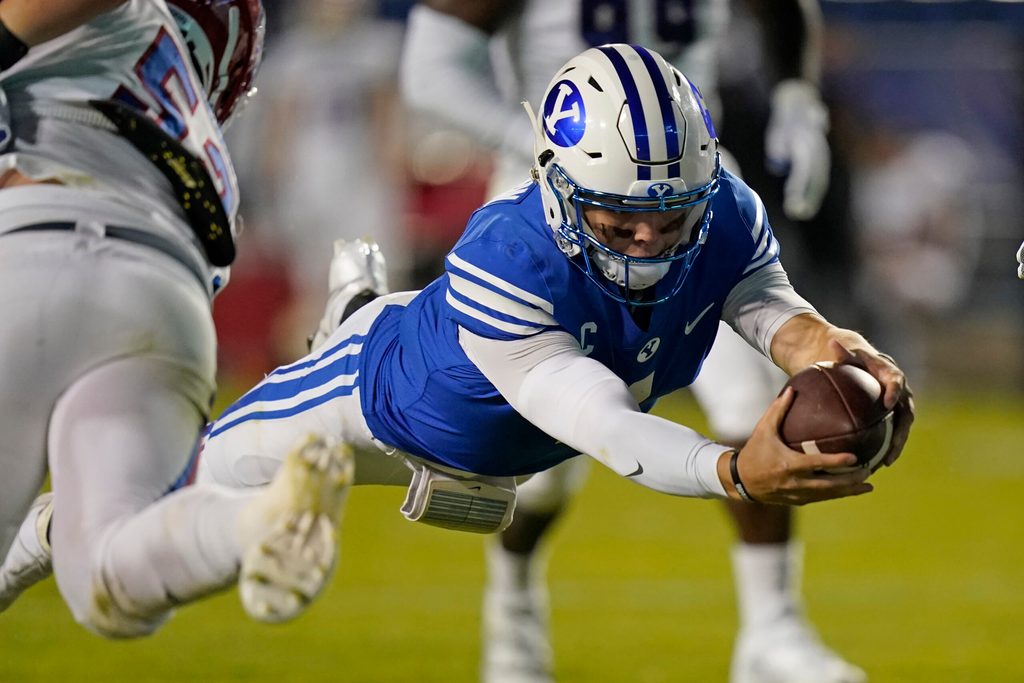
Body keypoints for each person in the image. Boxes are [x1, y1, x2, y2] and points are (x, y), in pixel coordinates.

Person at [196, 43, 914, 677]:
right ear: (557, 188)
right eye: (619, 220)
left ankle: (354, 308)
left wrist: (833, 347)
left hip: (515, 444)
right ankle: (350, 324)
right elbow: (605, 422)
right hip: (374, 411)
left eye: (673, 219)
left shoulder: (725, 208)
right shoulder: (508, 259)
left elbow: (769, 304)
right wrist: (731, 471)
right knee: (189, 498)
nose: (650, 242)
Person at [398, 2, 851, 682]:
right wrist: (550, 156)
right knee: (545, 464)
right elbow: (430, 68)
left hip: (688, 199)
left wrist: (795, 93)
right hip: (563, 205)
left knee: (753, 397)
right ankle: (512, 616)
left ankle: (772, 629)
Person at [0, 0, 352, 635]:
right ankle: (254, 521)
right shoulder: (190, 122)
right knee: (108, 576)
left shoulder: (112, 26)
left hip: (28, 240)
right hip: (164, 299)